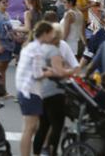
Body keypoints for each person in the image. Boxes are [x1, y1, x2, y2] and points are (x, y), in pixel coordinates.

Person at [33, 23, 77, 156]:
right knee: (57, 126)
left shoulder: (41, 48)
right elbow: (59, 72)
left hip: (41, 91)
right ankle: (52, 152)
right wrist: (70, 72)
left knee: (43, 126)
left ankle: (36, 153)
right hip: (55, 91)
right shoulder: (54, 51)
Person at [15, 21, 57, 156]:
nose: (52, 38)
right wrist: (52, 72)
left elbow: (34, 68)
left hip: (23, 89)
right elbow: (37, 74)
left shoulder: (30, 46)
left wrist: (46, 69)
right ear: (45, 34)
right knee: (30, 128)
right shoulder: (38, 50)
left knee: (30, 127)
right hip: (31, 91)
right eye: (51, 34)